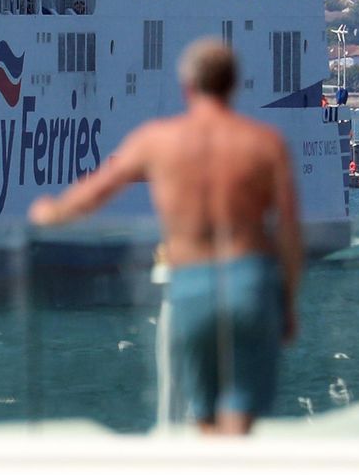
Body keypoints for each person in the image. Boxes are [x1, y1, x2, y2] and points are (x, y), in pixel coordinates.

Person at [29, 38, 304, 435]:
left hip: (191, 282)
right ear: (234, 85)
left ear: (187, 88)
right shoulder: (265, 142)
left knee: (202, 415)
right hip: (249, 278)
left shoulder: (157, 140)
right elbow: (291, 231)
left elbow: (95, 192)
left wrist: (51, 213)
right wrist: (288, 302)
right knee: (242, 412)